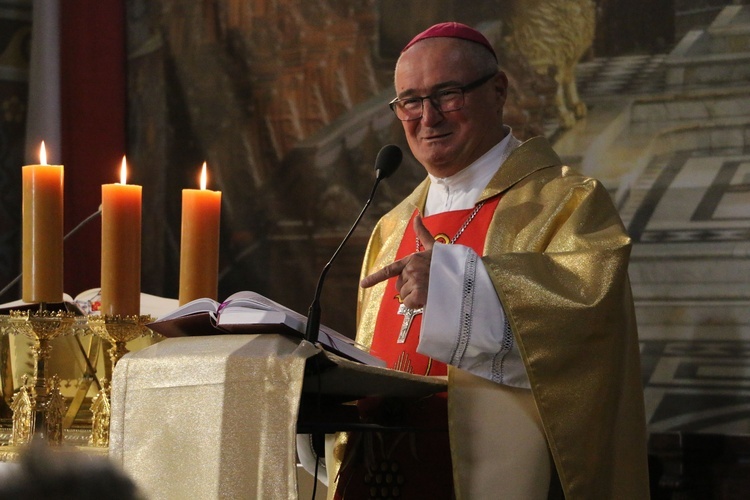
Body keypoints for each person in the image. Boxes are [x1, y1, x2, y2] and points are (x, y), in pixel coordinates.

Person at [326, 22, 650, 499]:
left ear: (497, 90)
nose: (427, 117)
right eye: (410, 102)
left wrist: (457, 287)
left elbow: (588, 330)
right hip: (380, 473)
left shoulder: (566, 203)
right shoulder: (392, 226)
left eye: (448, 94)